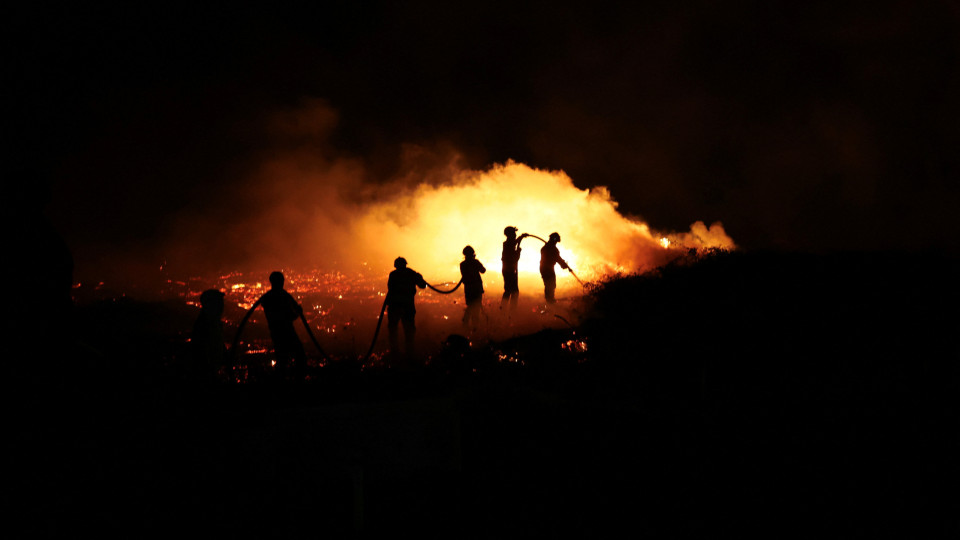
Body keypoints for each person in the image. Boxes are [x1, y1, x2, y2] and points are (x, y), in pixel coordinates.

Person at [253, 271, 307, 379]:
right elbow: (289, 316)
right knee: (298, 355)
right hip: (287, 332)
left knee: (282, 358)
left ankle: (282, 381)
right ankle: (295, 382)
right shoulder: (282, 296)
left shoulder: (268, 297)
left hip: (275, 333)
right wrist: (298, 312)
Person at [386, 257, 427, 360]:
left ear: (395, 266)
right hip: (407, 305)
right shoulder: (411, 273)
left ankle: (395, 352)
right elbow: (422, 285)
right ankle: (409, 352)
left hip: (395, 306)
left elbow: (390, 289)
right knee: (408, 330)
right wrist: (419, 277)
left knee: (393, 329)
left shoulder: (393, 274)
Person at [190, 289, 227, 383]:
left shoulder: (214, 323)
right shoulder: (205, 325)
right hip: (206, 376)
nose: (222, 306)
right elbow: (202, 352)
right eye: (219, 302)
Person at [500, 226, 528, 311]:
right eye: (514, 233)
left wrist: (521, 237)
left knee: (510, 291)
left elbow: (515, 242)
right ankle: (510, 310)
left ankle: (504, 308)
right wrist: (518, 251)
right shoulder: (508, 245)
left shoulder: (508, 244)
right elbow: (514, 258)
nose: (515, 235)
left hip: (509, 270)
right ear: (510, 234)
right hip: (510, 271)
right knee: (513, 291)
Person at [460, 245, 486, 329]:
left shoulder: (463, 264)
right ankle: (474, 327)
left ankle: (466, 324)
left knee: (470, 306)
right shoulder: (475, 262)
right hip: (476, 288)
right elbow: (483, 270)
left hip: (469, 289)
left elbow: (464, 277)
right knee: (476, 308)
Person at [539, 232, 569, 304]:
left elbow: (557, 258)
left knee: (551, 285)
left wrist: (564, 264)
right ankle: (549, 300)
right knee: (550, 284)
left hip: (547, 268)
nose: (556, 243)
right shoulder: (549, 249)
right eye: (555, 241)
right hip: (546, 268)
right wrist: (563, 265)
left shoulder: (549, 248)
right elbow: (557, 258)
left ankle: (550, 299)